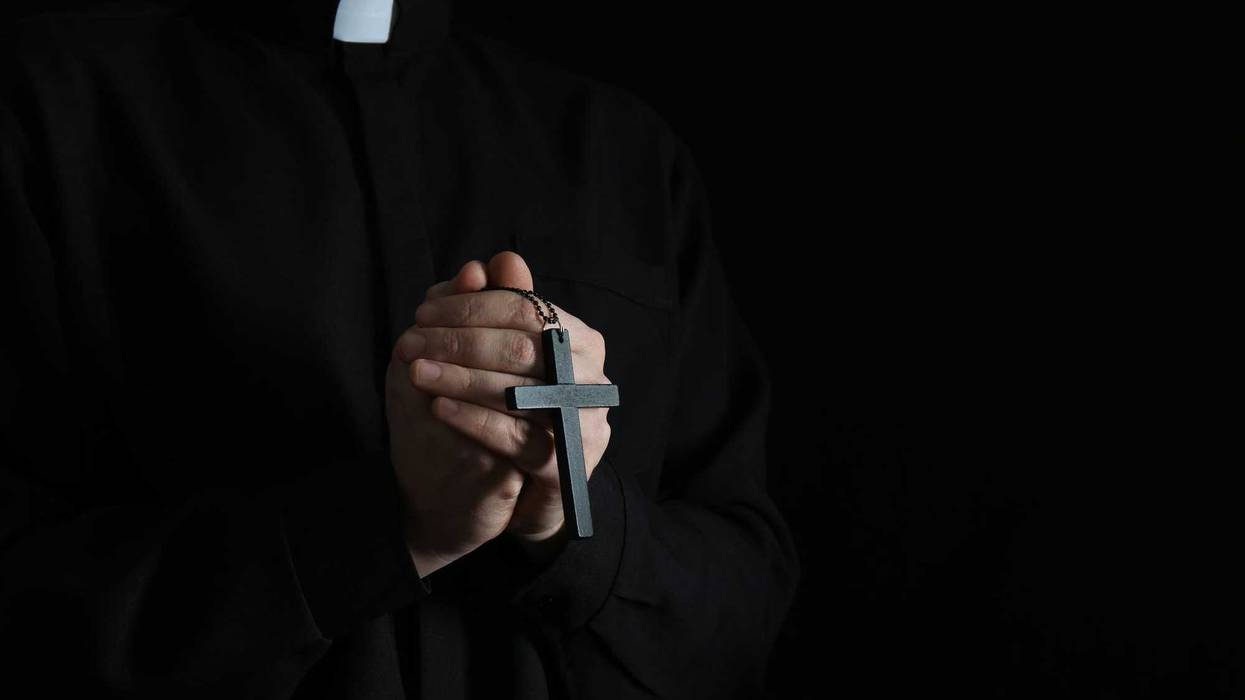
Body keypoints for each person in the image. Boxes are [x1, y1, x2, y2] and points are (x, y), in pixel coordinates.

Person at [0, 0, 800, 697]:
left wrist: (568, 523)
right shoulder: (47, 109)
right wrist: (388, 525)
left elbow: (745, 601)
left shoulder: (622, 149)